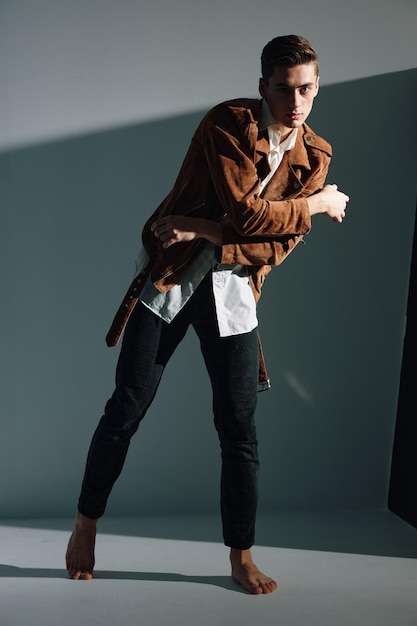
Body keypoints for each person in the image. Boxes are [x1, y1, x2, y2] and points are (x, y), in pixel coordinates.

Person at [66, 34, 349, 594]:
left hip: (233, 293)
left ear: (318, 87)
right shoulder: (227, 123)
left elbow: (273, 245)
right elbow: (248, 214)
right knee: (126, 408)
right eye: (285, 89)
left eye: (308, 89)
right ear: (263, 85)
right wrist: (315, 206)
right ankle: (84, 525)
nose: (296, 103)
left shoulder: (315, 156)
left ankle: (241, 557)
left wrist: (201, 227)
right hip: (172, 277)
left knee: (239, 429)